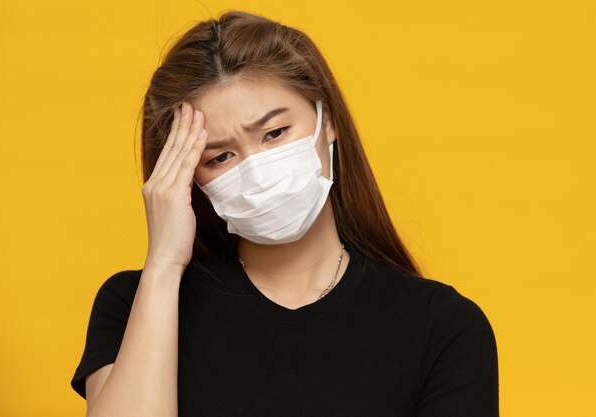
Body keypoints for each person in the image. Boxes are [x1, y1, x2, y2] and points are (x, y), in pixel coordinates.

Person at [70, 10, 499, 417]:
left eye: (275, 133)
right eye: (219, 157)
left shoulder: (441, 328)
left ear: (325, 120)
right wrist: (163, 262)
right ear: (186, 176)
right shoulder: (134, 306)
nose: (256, 170)